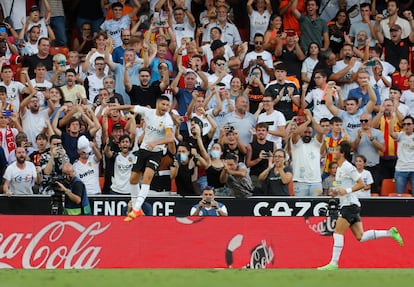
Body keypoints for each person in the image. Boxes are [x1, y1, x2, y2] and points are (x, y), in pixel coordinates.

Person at [317, 140, 403, 270]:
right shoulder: (340, 168)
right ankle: (390, 233)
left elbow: (361, 183)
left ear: (342, 153)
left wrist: (346, 191)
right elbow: (344, 186)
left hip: (350, 205)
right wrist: (336, 192)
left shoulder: (347, 167)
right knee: (360, 237)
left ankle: (333, 263)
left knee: (337, 232)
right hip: (350, 204)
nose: (333, 152)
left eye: (336, 150)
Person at [114, 96, 174, 221]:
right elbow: (131, 107)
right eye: (163, 104)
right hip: (143, 150)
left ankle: (135, 209)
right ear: (157, 104)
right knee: (133, 179)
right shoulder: (148, 112)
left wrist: (155, 143)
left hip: (156, 153)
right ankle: (138, 209)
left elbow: (170, 138)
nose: (165, 107)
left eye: (167, 105)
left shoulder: (167, 120)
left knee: (147, 178)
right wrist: (115, 108)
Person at [290, 109, 324, 196]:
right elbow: (295, 132)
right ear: (302, 133)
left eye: (309, 132)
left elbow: (321, 131)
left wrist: (311, 118)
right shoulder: (296, 143)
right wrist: (307, 121)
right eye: (305, 132)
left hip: (315, 182)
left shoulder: (316, 143)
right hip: (300, 182)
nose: (307, 134)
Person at [389, 115, 414, 195]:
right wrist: (392, 118)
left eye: (409, 124)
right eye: (404, 124)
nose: (406, 126)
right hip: (401, 169)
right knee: (399, 196)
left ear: (413, 125)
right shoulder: (400, 135)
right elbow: (391, 133)